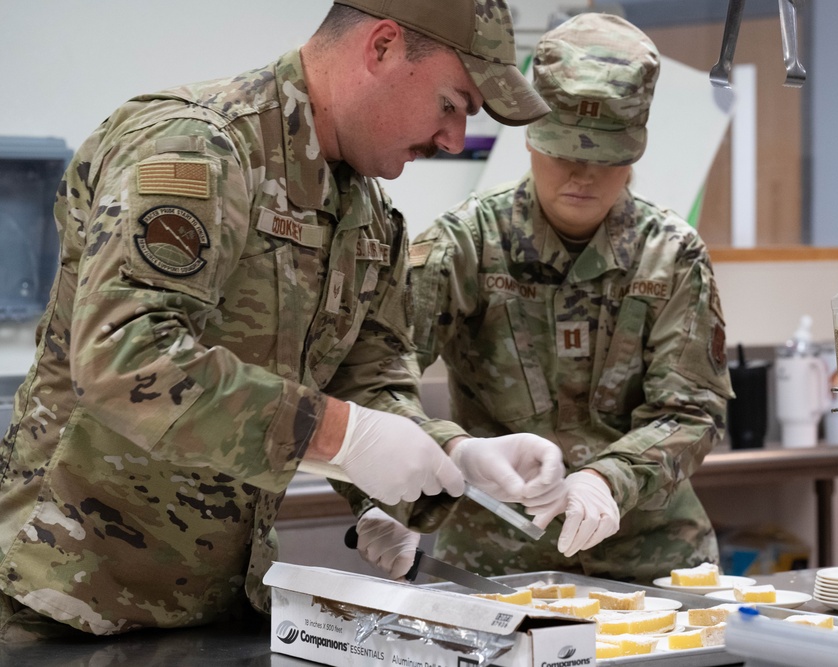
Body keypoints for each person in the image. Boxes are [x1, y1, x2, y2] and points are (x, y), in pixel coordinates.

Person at [0, 0, 566, 641]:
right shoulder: (198, 148)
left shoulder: (368, 213)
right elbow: (125, 356)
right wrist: (341, 437)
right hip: (64, 597)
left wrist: (452, 452)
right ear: (381, 47)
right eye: (451, 103)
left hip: (222, 605)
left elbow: (368, 378)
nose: (454, 139)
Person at [353, 12, 734, 585]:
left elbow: (691, 410)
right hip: (492, 562)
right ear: (531, 140)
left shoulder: (671, 254)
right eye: (563, 151)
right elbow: (372, 376)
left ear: (633, 152)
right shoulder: (467, 244)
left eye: (604, 158)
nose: (581, 174)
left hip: (648, 563)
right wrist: (381, 494)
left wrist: (610, 479)